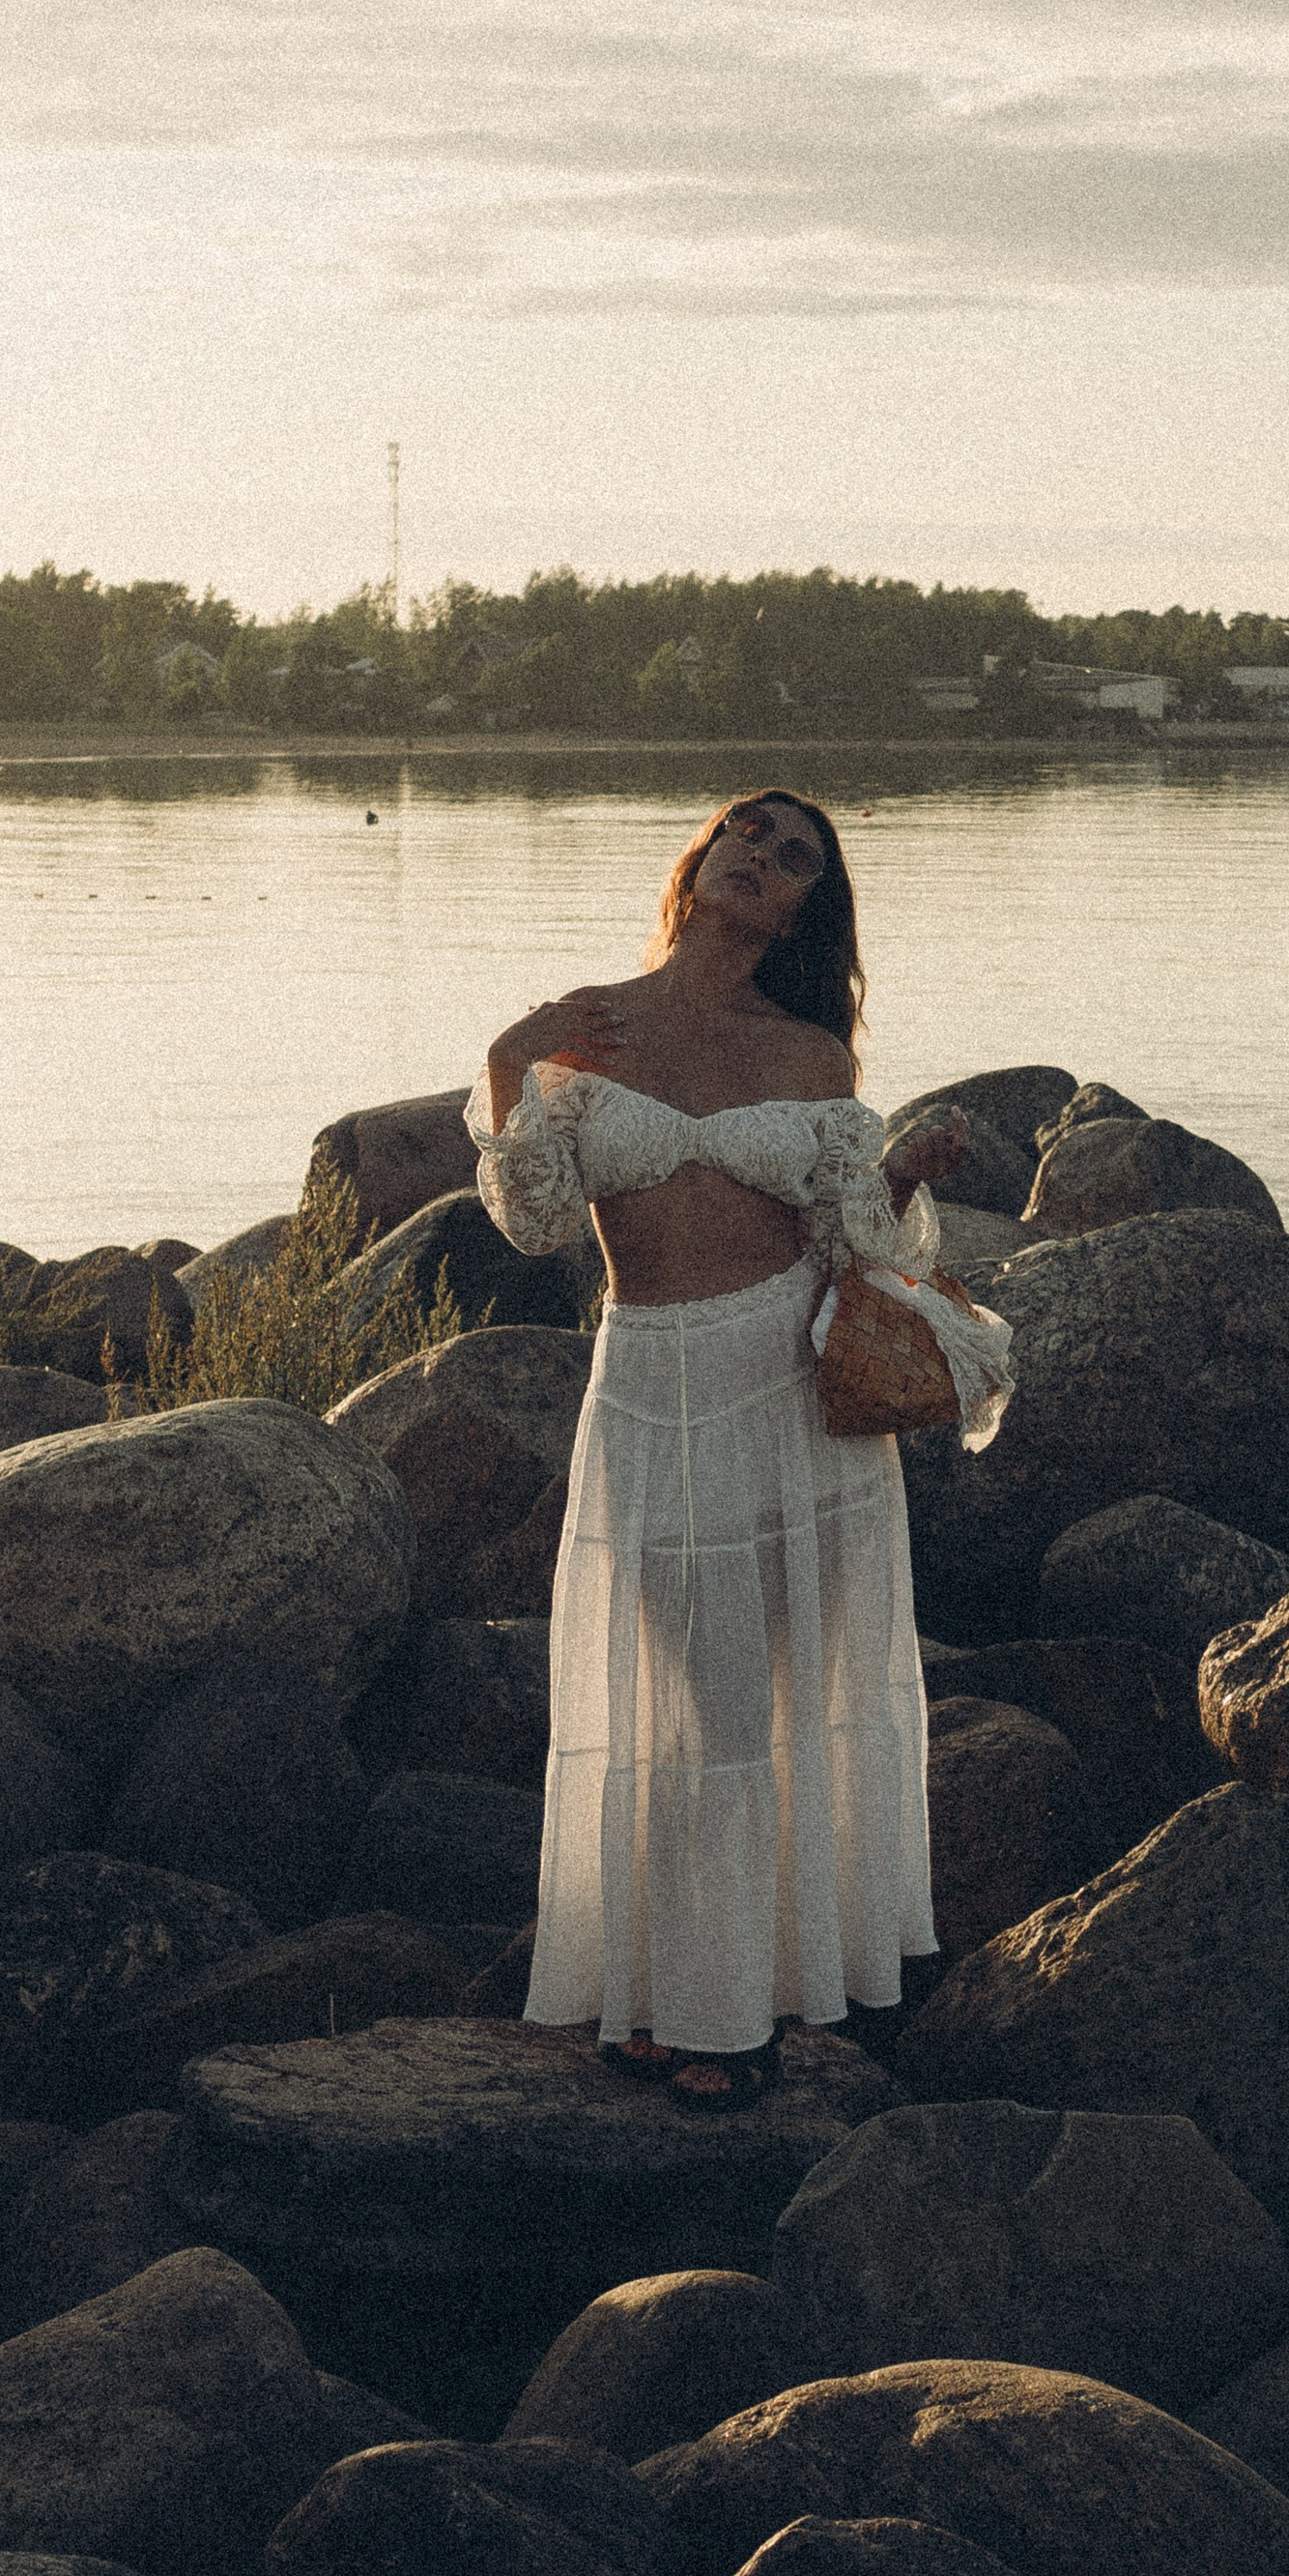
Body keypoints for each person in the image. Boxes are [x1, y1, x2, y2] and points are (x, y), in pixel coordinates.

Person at [470, 794, 1014, 2107]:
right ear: (701, 857)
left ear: (802, 911)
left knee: (736, 1705)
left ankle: (724, 2021)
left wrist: (907, 1171)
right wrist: (507, 1060)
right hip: (650, 1385)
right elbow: (535, 1221)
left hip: (783, 1391)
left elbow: (858, 1253)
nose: (762, 863)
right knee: (674, 1700)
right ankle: (665, 1993)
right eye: (750, 837)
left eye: (794, 861)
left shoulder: (811, 1056)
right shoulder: (587, 1028)